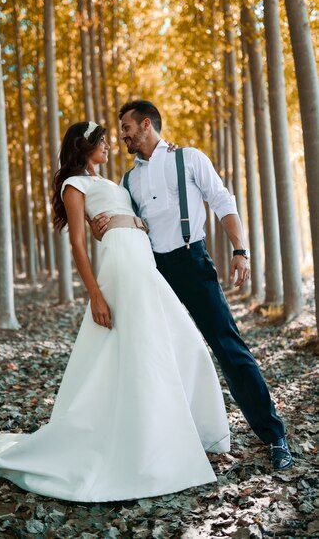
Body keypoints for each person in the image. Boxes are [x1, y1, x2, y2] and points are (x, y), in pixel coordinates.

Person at [0, 120, 231, 503]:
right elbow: (77, 244)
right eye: (102, 141)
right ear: (84, 147)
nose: (109, 145)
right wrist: (95, 296)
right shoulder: (75, 185)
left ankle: (182, 431)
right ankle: (153, 447)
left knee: (183, 341)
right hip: (121, 263)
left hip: (142, 255)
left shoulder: (116, 182)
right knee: (144, 347)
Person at [92, 99, 293, 471]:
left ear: (147, 124)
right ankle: (170, 441)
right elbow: (130, 223)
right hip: (152, 271)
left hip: (192, 260)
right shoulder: (128, 179)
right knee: (157, 353)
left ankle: (274, 435)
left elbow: (221, 200)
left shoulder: (189, 158)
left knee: (228, 346)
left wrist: (240, 250)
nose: (122, 136)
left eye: (127, 128)